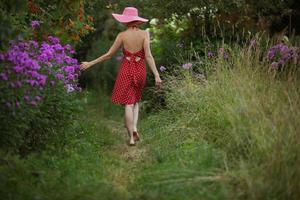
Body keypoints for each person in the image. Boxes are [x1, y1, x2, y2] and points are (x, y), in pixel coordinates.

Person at [80, 7, 162, 146]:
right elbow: (148, 56)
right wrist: (157, 75)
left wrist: (90, 63)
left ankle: (131, 137)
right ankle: (135, 128)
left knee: (128, 104)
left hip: (126, 70)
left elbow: (109, 55)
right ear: (136, 20)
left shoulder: (122, 36)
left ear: (125, 21)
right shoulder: (144, 35)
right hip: (140, 70)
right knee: (136, 100)